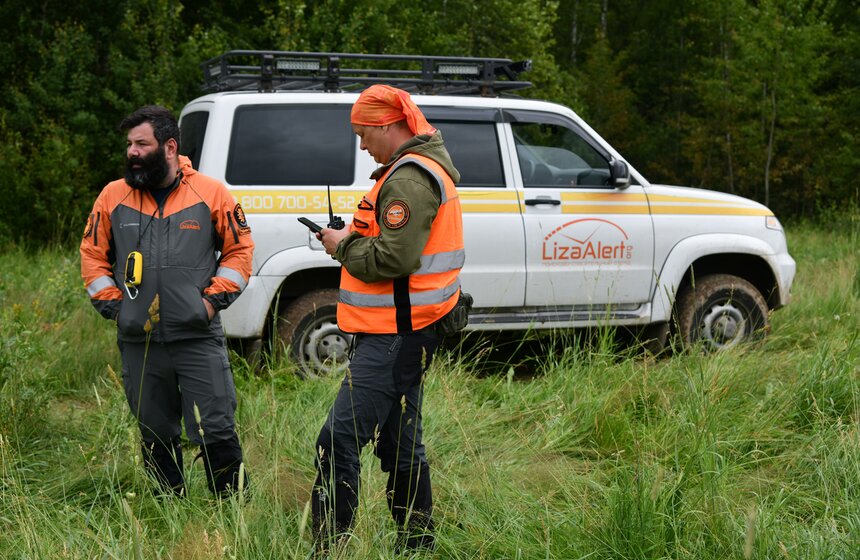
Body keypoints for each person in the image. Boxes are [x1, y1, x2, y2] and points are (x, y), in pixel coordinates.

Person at [312, 84, 465, 552]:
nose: (361, 145)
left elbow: (394, 260)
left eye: (363, 134)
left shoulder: (408, 180)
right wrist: (352, 237)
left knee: (336, 440)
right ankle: (417, 544)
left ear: (386, 125)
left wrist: (342, 246)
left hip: (396, 336)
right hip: (406, 330)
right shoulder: (411, 171)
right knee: (401, 444)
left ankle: (328, 546)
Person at [80, 105, 254, 497]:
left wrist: (209, 304)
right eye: (129, 144)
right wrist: (115, 305)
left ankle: (232, 512)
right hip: (139, 341)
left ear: (170, 147)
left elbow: (240, 252)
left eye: (142, 143)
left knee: (216, 427)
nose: (132, 152)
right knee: (154, 431)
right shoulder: (113, 195)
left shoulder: (210, 193)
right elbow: (92, 255)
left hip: (196, 336)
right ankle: (169, 511)